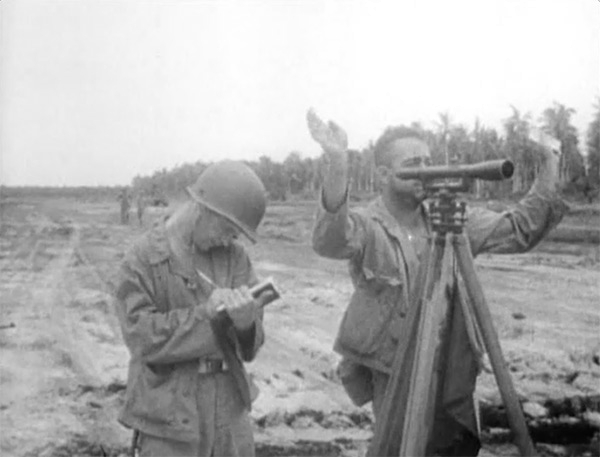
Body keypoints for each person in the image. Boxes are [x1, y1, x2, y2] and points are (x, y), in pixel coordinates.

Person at [306, 109, 568, 456]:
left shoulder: (451, 221)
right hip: (394, 370)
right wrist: (338, 162)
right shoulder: (368, 225)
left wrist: (549, 166)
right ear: (384, 174)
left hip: (451, 367)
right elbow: (330, 239)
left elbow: (521, 228)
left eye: (430, 162)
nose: (426, 171)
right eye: (414, 164)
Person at [115, 160, 272, 457]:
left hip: (230, 412)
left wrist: (246, 323)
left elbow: (251, 346)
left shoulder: (235, 258)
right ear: (202, 208)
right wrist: (206, 315)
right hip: (169, 421)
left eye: (235, 235)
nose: (228, 240)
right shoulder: (141, 260)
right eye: (227, 229)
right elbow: (141, 338)